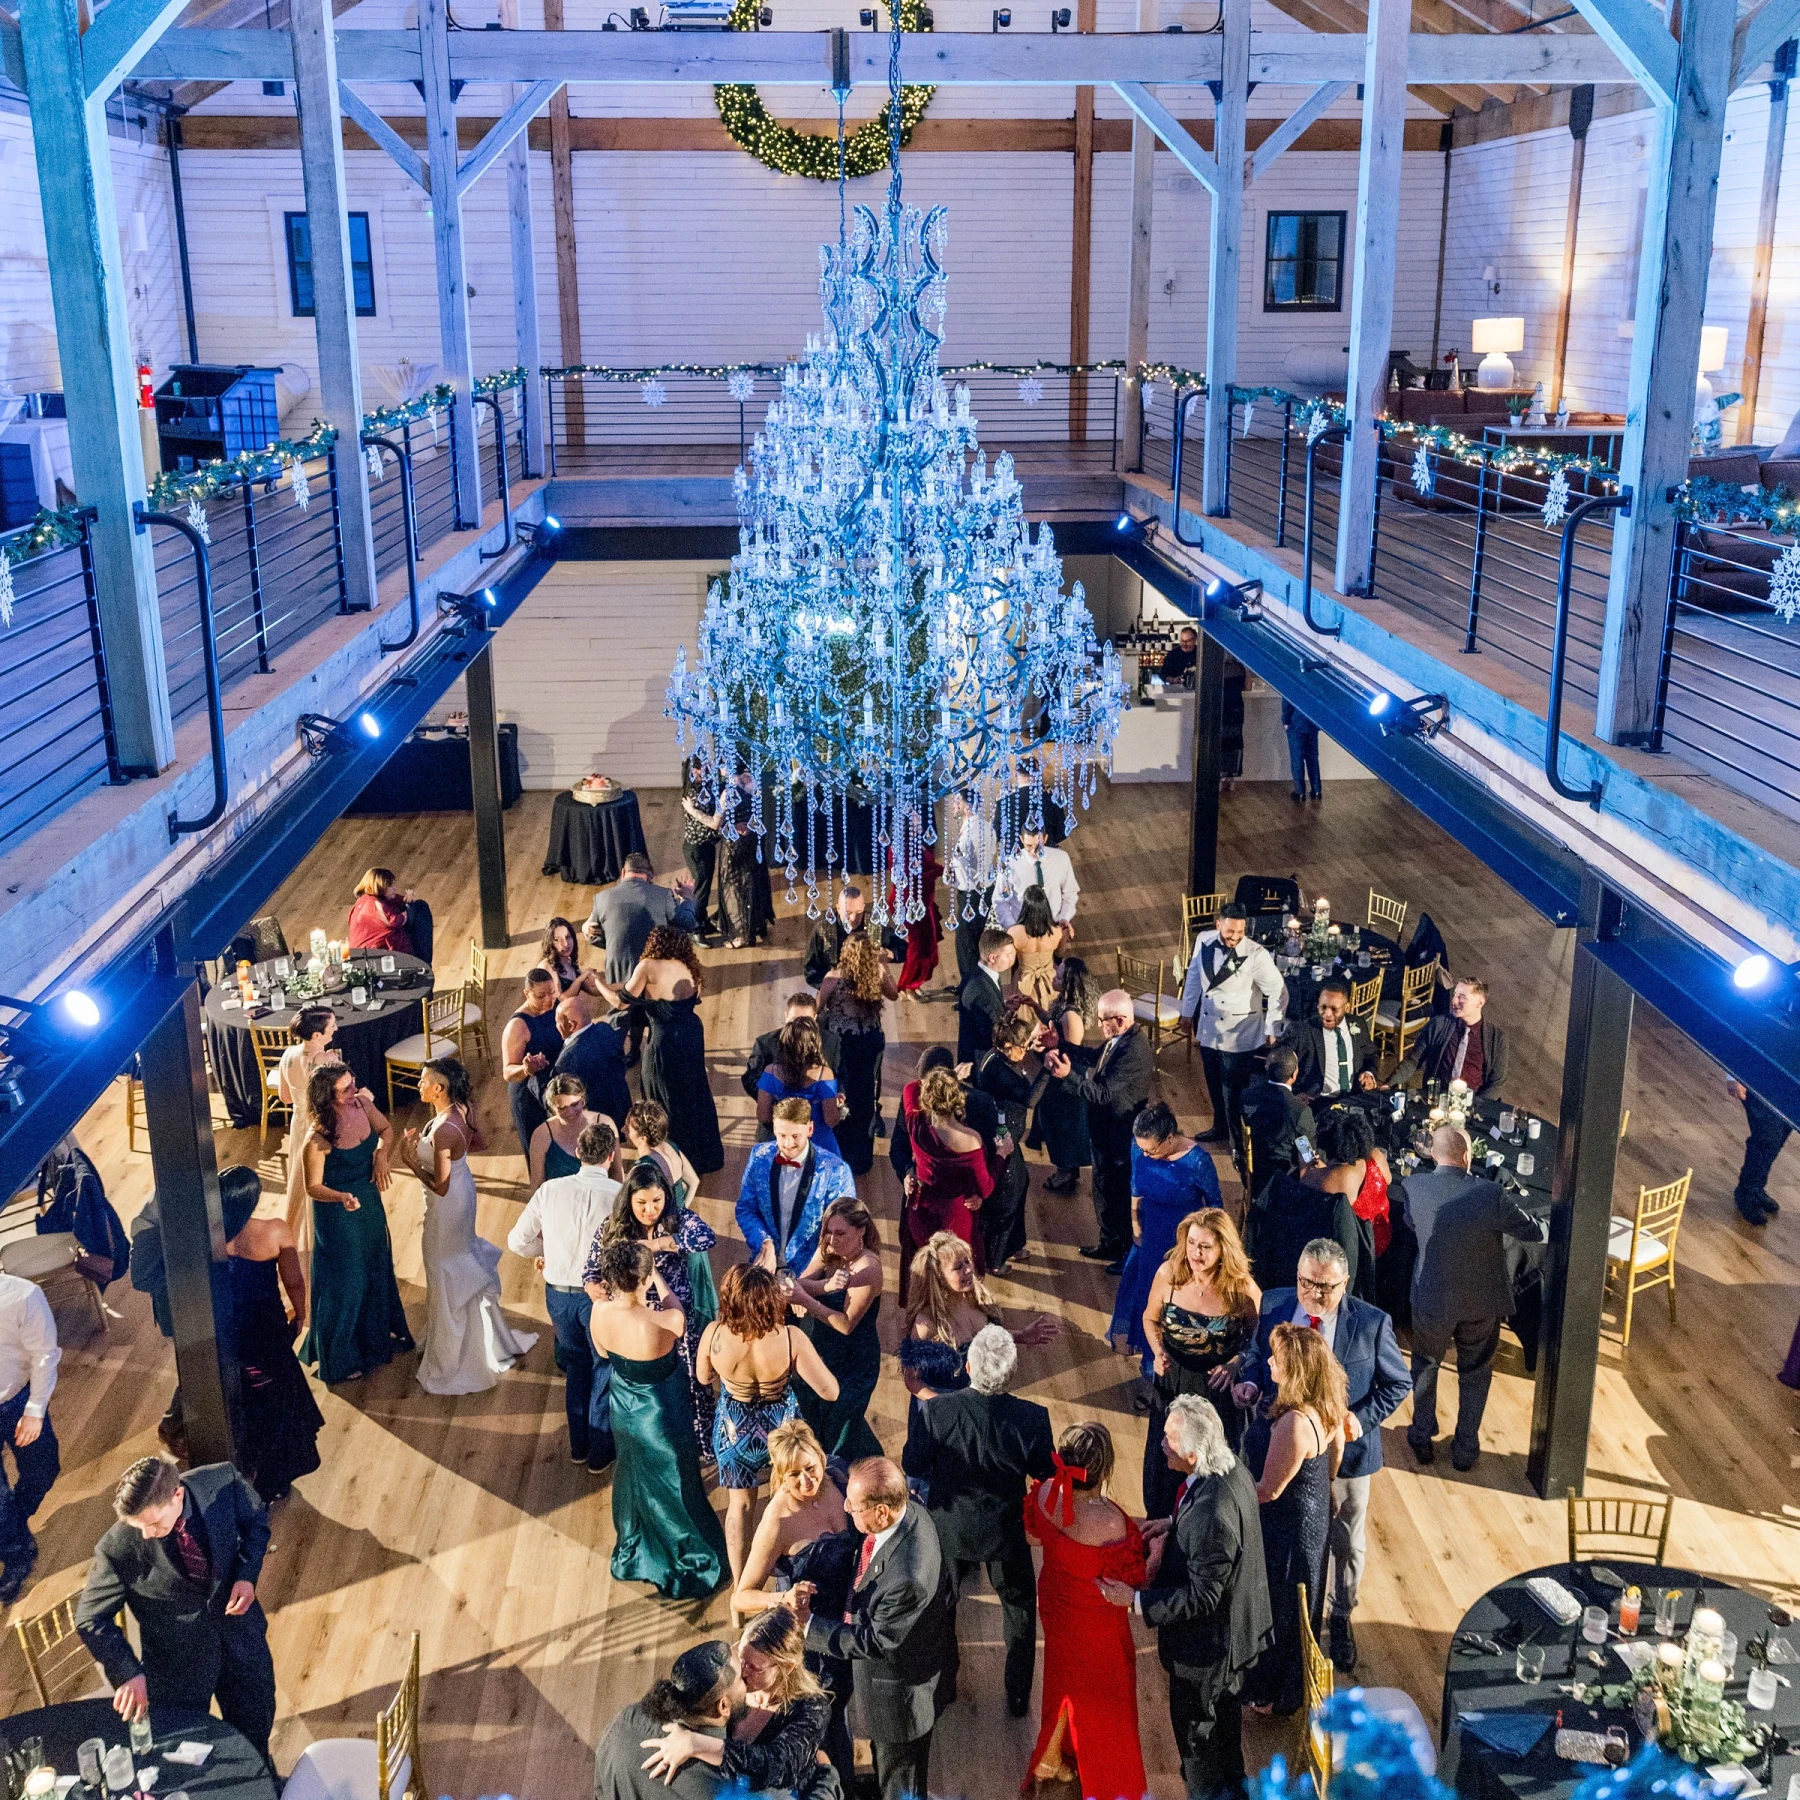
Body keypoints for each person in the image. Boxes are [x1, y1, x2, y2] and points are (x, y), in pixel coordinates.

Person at [1233, 1237, 1410, 1675]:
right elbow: (1256, 1353)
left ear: (1345, 1282)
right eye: (1306, 1282)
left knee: (1345, 1541)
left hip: (1345, 1456)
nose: (1313, 1293)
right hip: (1277, 1443)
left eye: (1325, 1287)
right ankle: (1278, 1623)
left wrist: (1359, 1420)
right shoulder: (1275, 1304)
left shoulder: (1371, 1323)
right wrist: (1251, 1381)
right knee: (1286, 1543)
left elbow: (1399, 1383)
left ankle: (1341, 1616)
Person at [1101, 1396, 1272, 1800]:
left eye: (1170, 1439)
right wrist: (1173, 1523)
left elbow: (1203, 1597)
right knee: (1225, 1726)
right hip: (1231, 1637)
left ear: (1194, 1454)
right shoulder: (1230, 1469)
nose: (1161, 1444)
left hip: (1207, 1652)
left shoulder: (1210, 1515)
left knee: (1198, 1740)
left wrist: (1134, 1600)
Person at [77, 1456, 277, 1770]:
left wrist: (246, 1576)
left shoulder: (223, 1482)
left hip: (240, 1641)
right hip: (177, 1668)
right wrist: (128, 1673)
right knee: (183, 1753)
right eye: (139, 1526)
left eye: (154, 1523)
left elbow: (256, 1524)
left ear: (178, 1496)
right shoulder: (117, 1547)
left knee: (255, 1733)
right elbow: (91, 1618)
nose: (146, 1534)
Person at [902, 1324, 1054, 1718]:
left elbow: (912, 1463)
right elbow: (1045, 1472)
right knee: (1019, 1609)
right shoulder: (1033, 1418)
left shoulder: (937, 1412)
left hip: (948, 1528)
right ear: (1011, 1372)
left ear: (968, 1368)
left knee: (942, 1609)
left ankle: (945, 1687)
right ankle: (1018, 1696)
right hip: (1006, 1531)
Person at [799, 1456, 958, 1800]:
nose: (846, 1508)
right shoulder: (910, 1511)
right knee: (885, 1766)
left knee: (900, 1783)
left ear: (882, 1512)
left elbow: (874, 1641)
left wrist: (808, 1627)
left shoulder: (908, 1578)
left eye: (853, 1506)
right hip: (897, 1680)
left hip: (900, 1703)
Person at [1398, 1123, 1547, 1470]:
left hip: (1431, 1297)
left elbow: (1411, 1223)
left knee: (1425, 1365)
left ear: (1433, 1155)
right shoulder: (1489, 1194)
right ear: (1467, 1156)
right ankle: (1465, 1449)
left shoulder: (1413, 1186)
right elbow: (1533, 1231)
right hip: (1480, 1301)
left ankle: (1421, 1436)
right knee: (1476, 1373)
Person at [589, 1238, 728, 1597]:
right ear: (643, 1279)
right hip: (662, 1411)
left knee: (636, 1473)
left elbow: (602, 1352)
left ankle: (640, 1545)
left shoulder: (599, 1311)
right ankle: (685, 1554)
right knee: (676, 1479)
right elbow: (678, 1314)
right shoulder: (660, 1320)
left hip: (624, 1406)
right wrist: (660, 1280)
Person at [1023, 1421, 1148, 1800]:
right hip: (1096, 1622)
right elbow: (1133, 1577)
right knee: (1107, 1698)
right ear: (1105, 1468)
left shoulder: (1047, 1492)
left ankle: (1051, 1755)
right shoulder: (1110, 1521)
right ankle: (1098, 1773)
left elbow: (1033, 1535)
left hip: (1056, 1604)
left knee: (1062, 1676)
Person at [398, 1057, 537, 1396]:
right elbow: (478, 1144)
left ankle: (452, 1359)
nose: (419, 1085)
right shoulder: (462, 1109)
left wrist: (410, 1160)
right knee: (459, 1261)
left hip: (446, 1207)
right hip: (463, 1193)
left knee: (443, 1269)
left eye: (424, 1081)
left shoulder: (444, 1130)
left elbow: (441, 1186)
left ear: (439, 1088)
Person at [732, 1420, 858, 1787]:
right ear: (780, 1476)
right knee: (828, 1718)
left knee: (851, 1696)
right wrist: (782, 1599)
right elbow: (742, 1596)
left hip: (852, 1616)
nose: (806, 1481)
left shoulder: (840, 1477)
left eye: (810, 1468)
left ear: (822, 1457)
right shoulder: (778, 1520)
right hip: (812, 1636)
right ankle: (840, 1787)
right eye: (793, 1475)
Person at [699, 1262, 840, 1584]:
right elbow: (830, 1391)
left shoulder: (714, 1333)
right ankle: (787, 1572)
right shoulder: (790, 1337)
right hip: (782, 1434)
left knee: (740, 1507)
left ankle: (742, 1586)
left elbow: (703, 1377)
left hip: (734, 1431)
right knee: (786, 1502)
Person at [1242, 1324, 1345, 1717]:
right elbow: (1336, 1453)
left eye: (1277, 1359)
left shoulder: (1294, 1424)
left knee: (1281, 1602)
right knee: (1303, 1599)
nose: (1270, 1362)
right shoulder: (1328, 1405)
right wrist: (1327, 1486)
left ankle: (1272, 1692)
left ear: (1296, 1370)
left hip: (1287, 1525)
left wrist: (1223, 1493)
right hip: (1313, 1512)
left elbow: (1268, 1490)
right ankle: (1291, 1685)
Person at [509, 1120, 621, 1471]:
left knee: (576, 1366)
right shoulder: (619, 1195)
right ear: (611, 1156)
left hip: (557, 1296)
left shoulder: (550, 1190)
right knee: (603, 1366)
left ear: (577, 1153)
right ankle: (601, 1451)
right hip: (599, 1296)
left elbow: (517, 1241)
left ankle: (579, 1446)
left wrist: (549, 1251)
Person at [590, 1159, 719, 1448]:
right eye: (642, 1203)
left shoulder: (677, 1219)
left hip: (675, 1315)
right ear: (628, 1200)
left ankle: (698, 1442)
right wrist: (591, 1285)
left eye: (657, 1201)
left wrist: (656, 1245)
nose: (650, 1210)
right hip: (631, 1317)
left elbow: (706, 1238)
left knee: (689, 1381)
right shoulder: (612, 1227)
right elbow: (591, 1268)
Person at [640, 1608, 836, 1796]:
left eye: (754, 1667)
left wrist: (696, 1744)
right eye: (741, 1658)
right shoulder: (733, 1685)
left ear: (788, 1667)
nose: (742, 1671)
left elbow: (779, 1765)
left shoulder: (812, 1707)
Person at [299, 1063, 414, 1383]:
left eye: (353, 1083)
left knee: (375, 1265)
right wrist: (341, 1197)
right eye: (345, 1089)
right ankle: (340, 1356)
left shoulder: (363, 1104)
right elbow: (312, 1187)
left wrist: (381, 1155)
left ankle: (373, 1341)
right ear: (327, 1096)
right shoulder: (317, 1138)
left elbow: (386, 1129)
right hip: (338, 1212)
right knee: (349, 1280)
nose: (354, 1091)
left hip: (368, 1200)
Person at [1141, 1209, 1261, 1514]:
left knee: (1210, 1466)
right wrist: (1157, 1350)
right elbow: (1150, 1318)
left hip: (1216, 1388)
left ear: (1223, 1249)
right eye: (1192, 1243)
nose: (1196, 1253)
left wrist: (1235, 1364)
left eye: (1205, 1247)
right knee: (1166, 1459)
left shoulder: (1242, 1288)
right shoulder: (1168, 1274)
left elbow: (1258, 1340)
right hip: (1173, 1382)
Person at [217, 1165, 322, 1504]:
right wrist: (300, 1315)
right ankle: (277, 1475)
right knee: (278, 1396)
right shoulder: (274, 1230)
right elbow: (294, 1281)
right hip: (266, 1326)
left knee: (243, 1398)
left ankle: (247, 1466)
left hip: (228, 1328)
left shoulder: (209, 1236)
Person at [599, 925, 725, 1175]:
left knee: (662, 1094)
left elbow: (621, 1003)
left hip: (665, 1041)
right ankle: (699, 1157)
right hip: (691, 1035)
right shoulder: (688, 965)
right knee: (693, 1091)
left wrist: (599, 984)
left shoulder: (647, 966)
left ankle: (668, 1158)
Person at [1043, 988, 1155, 1267]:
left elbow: (1103, 1094)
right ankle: (1108, 1242)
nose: (1098, 1024)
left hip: (1118, 1134)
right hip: (1105, 1132)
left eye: (1103, 1020)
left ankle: (1124, 1252)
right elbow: (1095, 1057)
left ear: (1120, 1020)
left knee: (1117, 1195)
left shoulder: (1134, 1050)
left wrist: (1068, 1077)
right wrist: (1060, 1044)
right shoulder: (1119, 1039)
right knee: (1103, 1188)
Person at [1111, 1103, 1222, 1363]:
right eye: (1142, 1149)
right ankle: (1148, 1356)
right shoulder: (1139, 1147)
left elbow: (1215, 1205)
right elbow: (1136, 1186)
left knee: (1173, 1300)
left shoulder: (1198, 1161)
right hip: (1150, 1234)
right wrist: (1135, 1226)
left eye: (1151, 1150)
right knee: (1146, 1293)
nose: (1145, 1154)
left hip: (1183, 1240)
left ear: (1169, 1138)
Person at [1180, 904, 1288, 1154]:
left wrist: (1272, 1027)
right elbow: (1194, 976)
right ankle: (1220, 1127)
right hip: (1209, 1027)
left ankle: (1238, 1144)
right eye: (1230, 932)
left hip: (1239, 1033)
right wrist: (1187, 1012)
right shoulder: (1203, 940)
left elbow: (1279, 991)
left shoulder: (1256, 954)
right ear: (1218, 924)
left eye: (1240, 932)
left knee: (1233, 1091)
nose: (1235, 937)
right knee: (1213, 1082)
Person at [786, 1196, 885, 1464]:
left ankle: (859, 1472)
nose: (832, 1240)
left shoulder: (868, 1268)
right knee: (819, 1418)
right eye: (828, 1232)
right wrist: (826, 1286)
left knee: (841, 1426)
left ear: (861, 1230)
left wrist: (806, 1301)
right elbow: (801, 1282)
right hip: (822, 1351)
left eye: (840, 1233)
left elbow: (845, 1324)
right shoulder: (828, 1250)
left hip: (854, 1361)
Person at [593, 1639, 745, 1800]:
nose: (748, 1676)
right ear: (723, 1706)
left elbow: (601, 1789)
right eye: (742, 1678)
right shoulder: (723, 1780)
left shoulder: (625, 1721)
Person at [899, 1064, 996, 1298]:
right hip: (955, 1216)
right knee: (956, 1270)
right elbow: (985, 1188)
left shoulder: (916, 1123)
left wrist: (940, 1080)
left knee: (926, 1266)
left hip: (921, 1210)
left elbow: (910, 1087)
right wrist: (1002, 1156)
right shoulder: (971, 1139)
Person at [737, 1096, 857, 1274]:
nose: (788, 1144)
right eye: (782, 1135)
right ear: (774, 1129)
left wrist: (806, 1281)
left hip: (811, 1273)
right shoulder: (759, 1156)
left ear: (810, 1129)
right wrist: (764, 1243)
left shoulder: (836, 1171)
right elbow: (746, 1208)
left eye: (795, 1136)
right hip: (765, 1268)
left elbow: (841, 1230)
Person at [904, 1232, 1057, 1367]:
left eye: (967, 1261)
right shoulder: (927, 1323)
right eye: (958, 1267)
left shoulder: (978, 1300)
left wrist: (1022, 1336)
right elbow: (913, 1381)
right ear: (939, 1278)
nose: (968, 1269)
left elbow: (987, 1338)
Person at [0, 1265, 60, 1601]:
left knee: (44, 1468)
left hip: (18, 1400)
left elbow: (44, 1355)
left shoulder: (23, 1296)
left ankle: (12, 1524)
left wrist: (35, 1409)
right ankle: (16, 1554)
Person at [974, 1011, 1044, 1275]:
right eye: (1022, 1047)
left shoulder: (999, 1058)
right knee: (1006, 1194)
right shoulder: (997, 1068)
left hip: (1009, 1138)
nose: (1025, 1052)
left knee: (1020, 1182)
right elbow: (1029, 1098)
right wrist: (1047, 1071)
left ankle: (1014, 1243)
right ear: (1006, 1046)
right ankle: (994, 1257)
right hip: (1000, 1140)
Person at [818, 937, 894, 1177]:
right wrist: (884, 965)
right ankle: (861, 1159)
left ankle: (839, 1153)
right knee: (865, 1096)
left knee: (840, 1094)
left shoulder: (833, 978)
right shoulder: (875, 976)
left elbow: (817, 1008)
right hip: (869, 1042)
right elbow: (894, 994)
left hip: (843, 1045)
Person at [1300, 1108, 1390, 1300]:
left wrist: (1304, 1153)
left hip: (1360, 1252)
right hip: (1383, 1237)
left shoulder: (1334, 1178)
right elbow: (1388, 1179)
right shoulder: (1376, 1157)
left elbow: (1305, 1178)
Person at [277, 1006, 342, 1257]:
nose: (335, 1029)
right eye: (332, 1026)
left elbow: (284, 1097)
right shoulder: (324, 1061)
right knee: (322, 1177)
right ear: (317, 1035)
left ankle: (296, 1239)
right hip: (322, 1125)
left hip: (299, 1122)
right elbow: (338, 1100)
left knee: (300, 1176)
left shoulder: (288, 1054)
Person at [584, 852, 701, 984]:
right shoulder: (663, 895)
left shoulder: (601, 898)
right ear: (649, 876)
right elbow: (688, 923)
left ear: (623, 872)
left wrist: (615, 943)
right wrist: (687, 897)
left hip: (618, 973)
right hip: (653, 972)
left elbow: (592, 936)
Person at [1035, 956, 1098, 1195]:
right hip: (1058, 1075)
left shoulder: (1072, 1017)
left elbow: (1070, 1052)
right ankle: (1066, 1170)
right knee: (1054, 1122)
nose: (1054, 977)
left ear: (1069, 983)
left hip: (1065, 1079)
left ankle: (1066, 1173)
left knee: (1063, 1126)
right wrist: (1034, 1007)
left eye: (1059, 975)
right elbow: (1053, 1023)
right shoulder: (1063, 1004)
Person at [1393, 976, 1508, 1098]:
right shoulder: (1438, 1025)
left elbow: (1497, 1083)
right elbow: (1413, 1060)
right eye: (1455, 995)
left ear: (1480, 1002)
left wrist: (1477, 1105)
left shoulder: (1497, 1039)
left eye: (1461, 997)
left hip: (1473, 1101)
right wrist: (1390, 1083)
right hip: (1438, 1097)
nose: (1454, 1001)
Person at [744, 994, 844, 1131]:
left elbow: (840, 1073)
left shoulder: (831, 1042)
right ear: (786, 1016)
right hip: (776, 1126)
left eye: (806, 1021)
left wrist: (839, 1094)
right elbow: (750, 1078)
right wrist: (768, 1099)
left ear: (815, 1018)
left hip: (814, 1125)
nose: (799, 1026)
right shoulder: (765, 1043)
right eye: (794, 1020)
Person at [757, 1019, 845, 1159]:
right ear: (815, 1044)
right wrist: (839, 1107)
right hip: (819, 1146)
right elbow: (831, 1120)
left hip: (786, 1145)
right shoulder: (824, 1074)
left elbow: (763, 1116)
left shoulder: (771, 1072)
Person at [503, 968, 564, 1159]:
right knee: (538, 1149)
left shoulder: (557, 1006)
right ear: (526, 994)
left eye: (552, 992)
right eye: (540, 996)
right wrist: (526, 1069)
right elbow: (507, 1072)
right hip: (527, 1094)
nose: (549, 999)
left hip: (555, 1086)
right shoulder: (518, 1026)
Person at [1285, 977, 1379, 1102]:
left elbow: (1370, 1055)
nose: (1327, 1014)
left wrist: (1369, 1074)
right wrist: (1293, 1096)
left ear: (1347, 1008)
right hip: (1317, 1100)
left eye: (1334, 1009)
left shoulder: (1358, 1023)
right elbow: (1281, 1063)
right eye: (1323, 1007)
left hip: (1354, 1097)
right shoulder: (1302, 1030)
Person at [1239, 1046, 1316, 1194]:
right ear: (1294, 1074)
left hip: (1253, 1172)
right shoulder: (1300, 1111)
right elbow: (1307, 1155)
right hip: (1283, 1180)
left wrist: (1294, 1101)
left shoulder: (1247, 1095)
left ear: (1267, 1068)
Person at [553, 997, 633, 1136]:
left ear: (570, 1025)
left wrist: (535, 1077)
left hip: (596, 1124)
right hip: (621, 1108)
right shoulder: (605, 1029)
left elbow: (558, 1100)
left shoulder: (566, 1060)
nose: (556, 1026)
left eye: (557, 1022)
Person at [947, 791, 1002, 986]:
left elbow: (964, 865)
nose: (954, 806)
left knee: (966, 945)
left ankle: (970, 988)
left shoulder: (969, 834)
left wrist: (951, 872)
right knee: (980, 941)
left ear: (967, 806)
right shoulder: (987, 827)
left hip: (971, 894)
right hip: (987, 890)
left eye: (957, 802)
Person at [716, 772, 774, 950]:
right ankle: (756, 925)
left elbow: (717, 823)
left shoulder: (728, 793)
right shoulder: (754, 786)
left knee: (733, 887)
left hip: (734, 845)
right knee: (752, 883)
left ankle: (741, 934)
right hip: (752, 842)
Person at [993, 824, 1078, 936]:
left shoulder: (1061, 858)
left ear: (1045, 838)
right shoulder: (1009, 864)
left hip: (1054, 927)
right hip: (1021, 928)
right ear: (1021, 839)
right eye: (1029, 846)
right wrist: (1013, 927)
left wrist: (1064, 918)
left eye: (1038, 845)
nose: (1034, 851)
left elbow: (1070, 893)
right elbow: (1000, 900)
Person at [529, 1072, 606, 1190]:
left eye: (574, 1104)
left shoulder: (603, 1125)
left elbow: (616, 1174)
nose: (570, 1112)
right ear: (552, 1108)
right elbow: (537, 1186)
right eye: (562, 1108)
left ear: (583, 1100)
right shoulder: (541, 1135)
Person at [1729, 1077, 1790, 1224]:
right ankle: (1747, 1193)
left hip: (1790, 1082)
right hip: (1760, 1076)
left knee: (1781, 1133)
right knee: (1768, 1136)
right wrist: (1734, 1076)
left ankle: (1754, 1187)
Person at [621, 1100, 701, 1208]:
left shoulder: (643, 1167)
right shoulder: (670, 1146)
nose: (622, 1130)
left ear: (643, 1138)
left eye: (627, 1128)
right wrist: (682, 1212)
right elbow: (694, 1181)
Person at [957, 928, 1015, 1065]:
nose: (1013, 958)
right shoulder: (982, 992)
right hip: (983, 1059)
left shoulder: (975, 973)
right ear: (992, 958)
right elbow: (993, 1033)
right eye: (1008, 955)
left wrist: (1003, 1005)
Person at [680, 760, 724, 940]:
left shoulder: (704, 788)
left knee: (704, 886)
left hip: (705, 846)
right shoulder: (695, 794)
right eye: (706, 764)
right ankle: (696, 929)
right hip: (697, 848)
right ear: (696, 771)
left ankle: (702, 921)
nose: (711, 767)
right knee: (701, 890)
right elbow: (712, 824)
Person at [892, 844, 942, 994]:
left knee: (926, 947)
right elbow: (911, 880)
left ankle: (913, 984)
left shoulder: (919, 841)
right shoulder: (901, 847)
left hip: (924, 903)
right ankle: (907, 986)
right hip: (910, 906)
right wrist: (939, 871)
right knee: (918, 950)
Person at [1008, 884, 1062, 1015]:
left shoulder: (1014, 932)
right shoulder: (1057, 932)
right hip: (1051, 982)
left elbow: (1010, 961)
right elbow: (1059, 954)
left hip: (1024, 983)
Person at [805, 886, 870, 990]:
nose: (853, 918)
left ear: (863, 907)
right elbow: (811, 969)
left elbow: (896, 946)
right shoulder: (822, 930)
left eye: (858, 912)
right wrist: (830, 986)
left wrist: (890, 954)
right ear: (838, 908)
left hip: (866, 990)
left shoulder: (873, 925)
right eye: (848, 913)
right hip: (832, 991)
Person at [347, 867, 414, 954]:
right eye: (390, 886)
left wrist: (407, 899)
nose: (394, 888)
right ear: (379, 887)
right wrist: (409, 909)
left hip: (361, 953)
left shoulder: (364, 900)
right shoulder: (374, 904)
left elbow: (397, 900)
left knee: (420, 906)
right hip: (372, 955)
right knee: (420, 908)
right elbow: (394, 922)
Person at [540, 916, 606, 1002]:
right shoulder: (546, 966)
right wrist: (580, 979)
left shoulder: (568, 961)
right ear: (550, 943)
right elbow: (560, 1000)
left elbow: (593, 990)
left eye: (568, 937)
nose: (565, 944)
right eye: (557, 940)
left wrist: (621, 986)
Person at [1281, 698, 1322, 803]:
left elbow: (1287, 701)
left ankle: (1300, 792)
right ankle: (1316, 790)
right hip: (1313, 723)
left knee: (1297, 759)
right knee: (1313, 758)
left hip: (1296, 722)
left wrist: (1285, 720)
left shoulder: (1292, 686)